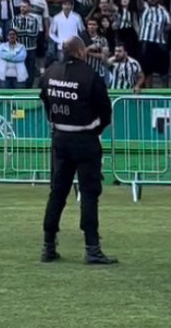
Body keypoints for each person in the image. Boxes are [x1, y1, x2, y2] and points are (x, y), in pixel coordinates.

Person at [39, 36, 117, 265]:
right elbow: (105, 111)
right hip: (85, 139)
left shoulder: (51, 72)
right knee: (89, 194)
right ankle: (92, 248)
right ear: (81, 52)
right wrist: (95, 129)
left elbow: (44, 98)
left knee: (57, 192)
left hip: (60, 138)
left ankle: (48, 246)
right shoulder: (91, 76)